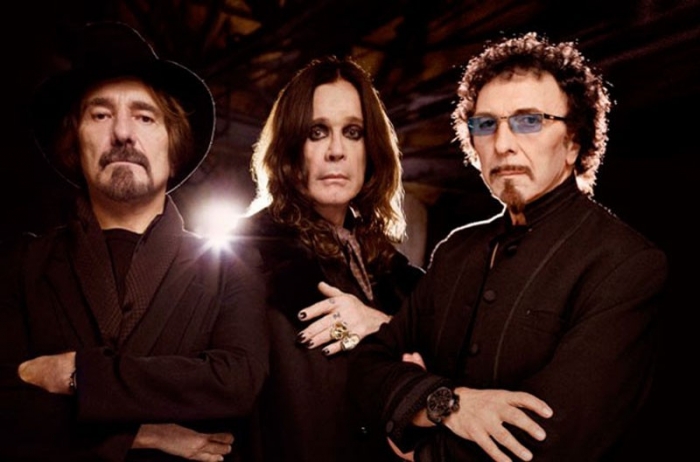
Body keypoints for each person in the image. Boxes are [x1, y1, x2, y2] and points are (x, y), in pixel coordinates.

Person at [349, 32, 668, 462]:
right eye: (485, 124)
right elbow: (367, 367)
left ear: (574, 141)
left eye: (529, 120)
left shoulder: (625, 263)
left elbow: (545, 441)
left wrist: (415, 450)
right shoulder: (456, 250)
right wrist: (448, 403)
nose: (501, 144)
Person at [0, 21, 269, 461]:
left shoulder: (231, 271)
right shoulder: (23, 266)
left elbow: (234, 383)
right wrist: (137, 435)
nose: (123, 132)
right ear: (74, 142)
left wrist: (78, 375)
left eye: (145, 117)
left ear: (173, 146)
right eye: (100, 115)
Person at [228, 56, 423, 462]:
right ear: (290, 147)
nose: (336, 151)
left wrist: (380, 325)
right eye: (316, 132)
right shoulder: (250, 254)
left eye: (353, 132)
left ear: (371, 149)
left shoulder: (393, 269)